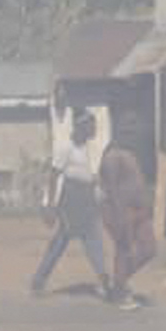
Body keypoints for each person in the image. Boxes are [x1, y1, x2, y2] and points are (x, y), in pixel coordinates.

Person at [31, 110, 113, 300]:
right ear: (81, 128)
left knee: (90, 239)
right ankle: (38, 282)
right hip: (70, 201)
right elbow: (53, 176)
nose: (94, 130)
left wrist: (99, 191)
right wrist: (50, 206)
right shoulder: (65, 148)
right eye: (91, 127)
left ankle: (104, 279)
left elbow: (87, 175)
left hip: (85, 199)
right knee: (65, 242)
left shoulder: (86, 148)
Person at [99, 128, 157, 311]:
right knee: (123, 250)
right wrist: (120, 215)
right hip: (122, 211)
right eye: (128, 127)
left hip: (139, 210)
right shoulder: (112, 156)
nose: (134, 132)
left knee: (149, 249)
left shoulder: (130, 154)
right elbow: (113, 189)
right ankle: (119, 293)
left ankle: (118, 284)